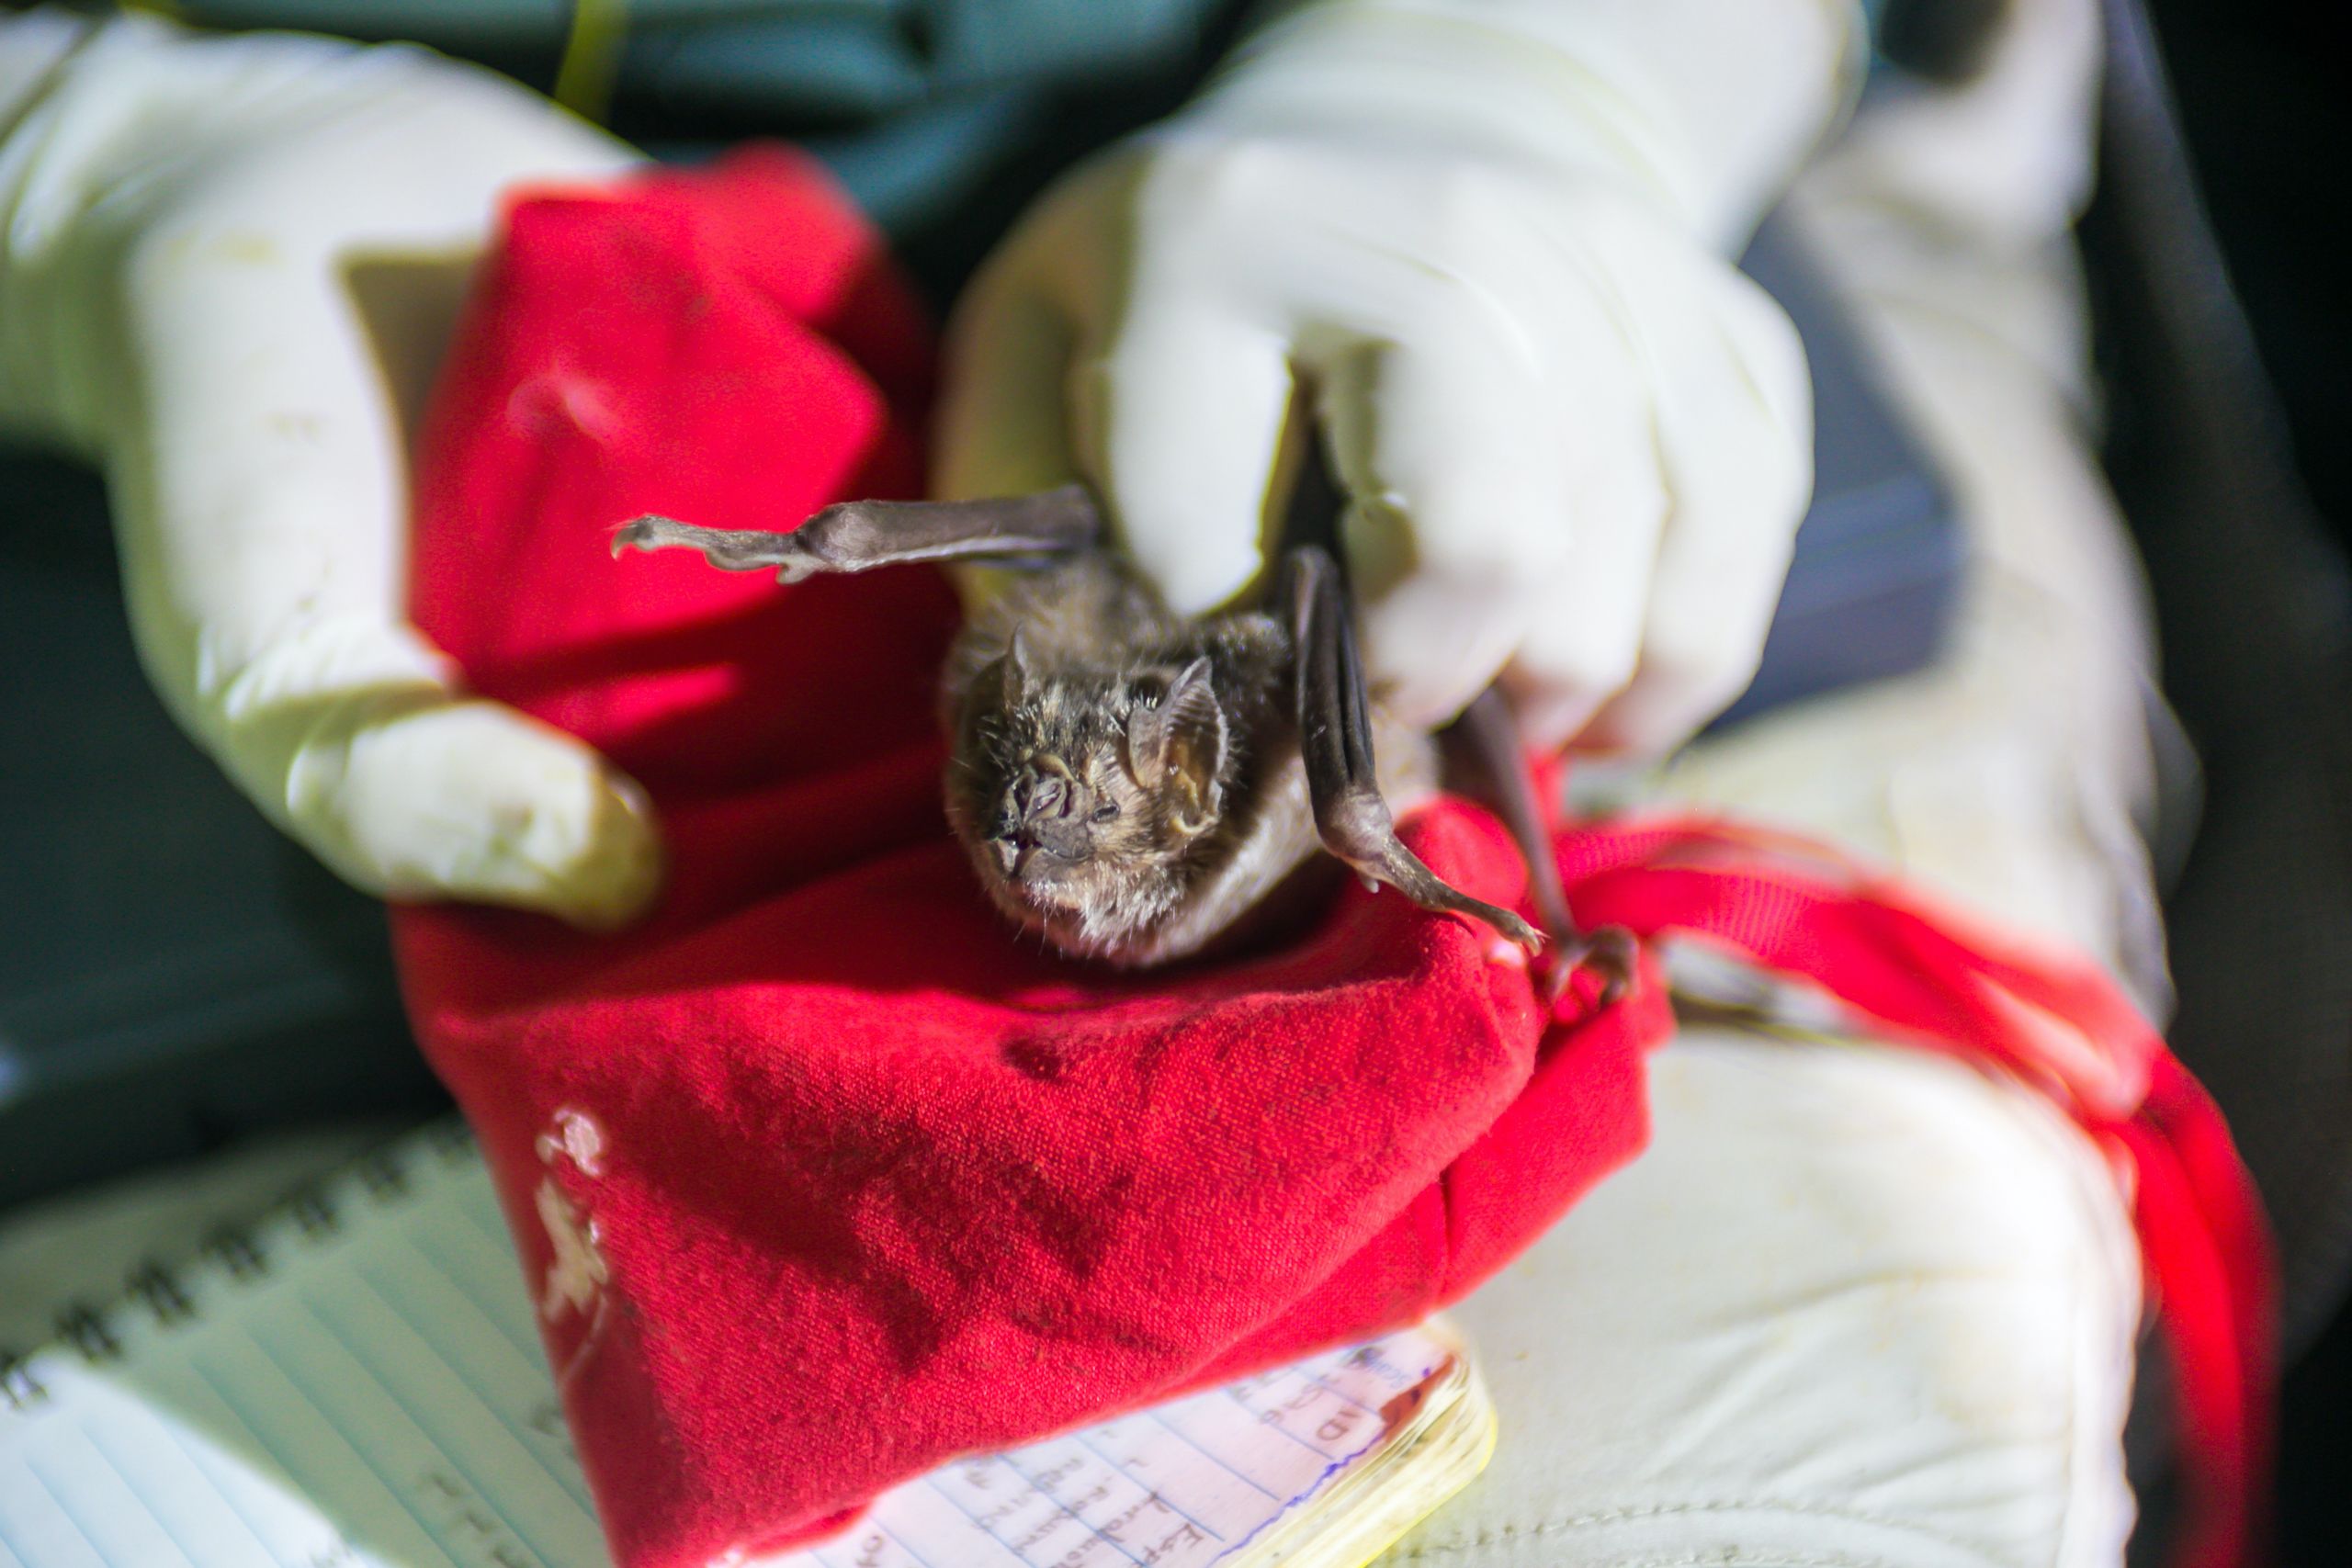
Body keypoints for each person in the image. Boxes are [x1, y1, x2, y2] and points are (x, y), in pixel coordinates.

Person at [0, 1, 2177, 1562]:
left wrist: (1545, 64)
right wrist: (66, 144)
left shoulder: (1265, 756)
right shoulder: (1026, 746)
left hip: (1468, 272)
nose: (1044, 869)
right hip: (491, 379)